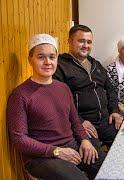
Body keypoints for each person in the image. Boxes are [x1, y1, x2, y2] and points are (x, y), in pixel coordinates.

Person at [7, 34, 105, 180]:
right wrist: (56, 151)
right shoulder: (20, 94)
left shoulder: (63, 88)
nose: (47, 62)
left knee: (107, 165)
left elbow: (75, 121)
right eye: (41, 57)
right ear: (30, 59)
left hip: (71, 146)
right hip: (41, 157)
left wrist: (84, 140)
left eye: (52, 57)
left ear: (57, 60)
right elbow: (19, 139)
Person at [53, 25, 123, 147]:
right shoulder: (60, 66)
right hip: (84, 124)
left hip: (106, 121)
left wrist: (115, 111)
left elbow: (110, 90)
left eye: (89, 42)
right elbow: (59, 102)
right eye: (81, 41)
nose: (86, 45)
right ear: (69, 41)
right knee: (95, 160)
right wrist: (79, 122)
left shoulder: (96, 64)